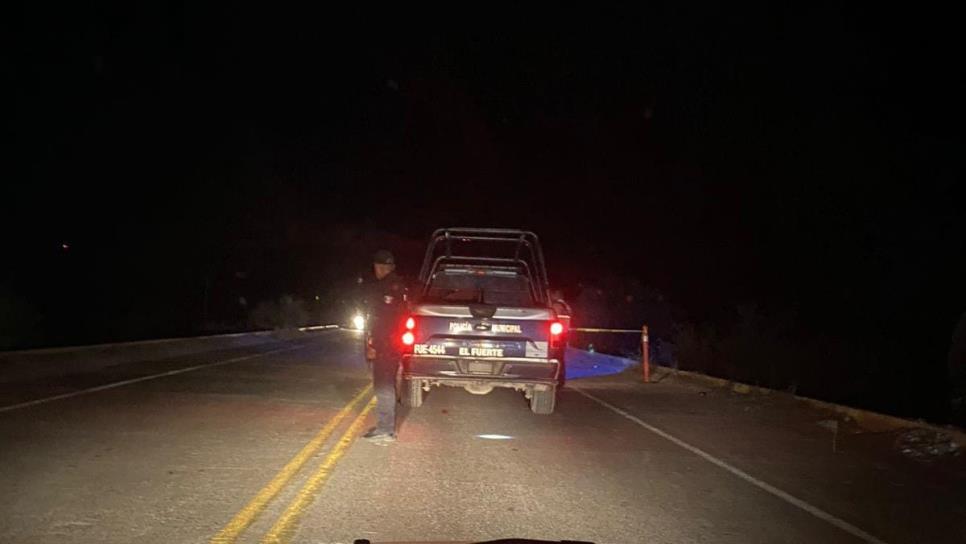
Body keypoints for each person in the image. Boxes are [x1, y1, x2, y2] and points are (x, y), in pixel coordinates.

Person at [362, 249, 407, 443]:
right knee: (384, 383)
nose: (377, 270)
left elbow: (382, 320)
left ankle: (386, 429)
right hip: (392, 343)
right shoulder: (399, 286)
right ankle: (384, 426)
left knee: (383, 384)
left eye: (378, 267)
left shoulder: (387, 288)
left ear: (382, 267)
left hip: (386, 344)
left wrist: (374, 343)